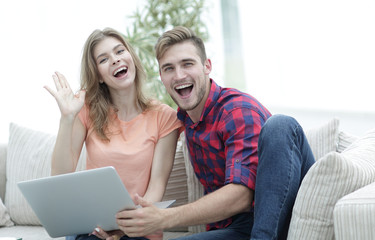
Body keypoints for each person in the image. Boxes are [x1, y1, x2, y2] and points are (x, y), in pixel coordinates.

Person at [114, 26, 316, 240]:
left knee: (281, 125)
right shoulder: (185, 121)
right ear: (161, 77)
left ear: (207, 66)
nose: (179, 75)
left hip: (274, 217)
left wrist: (163, 218)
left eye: (187, 64)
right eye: (169, 68)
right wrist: (127, 224)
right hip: (236, 229)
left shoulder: (236, 111)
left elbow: (241, 196)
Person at [44, 27, 182, 240]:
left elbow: (156, 188)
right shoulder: (87, 109)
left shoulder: (164, 116)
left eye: (119, 51)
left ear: (131, 58)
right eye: (104, 59)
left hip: (140, 227)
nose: (116, 60)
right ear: (98, 76)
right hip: (94, 227)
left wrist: (125, 226)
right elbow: (60, 175)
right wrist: (67, 119)